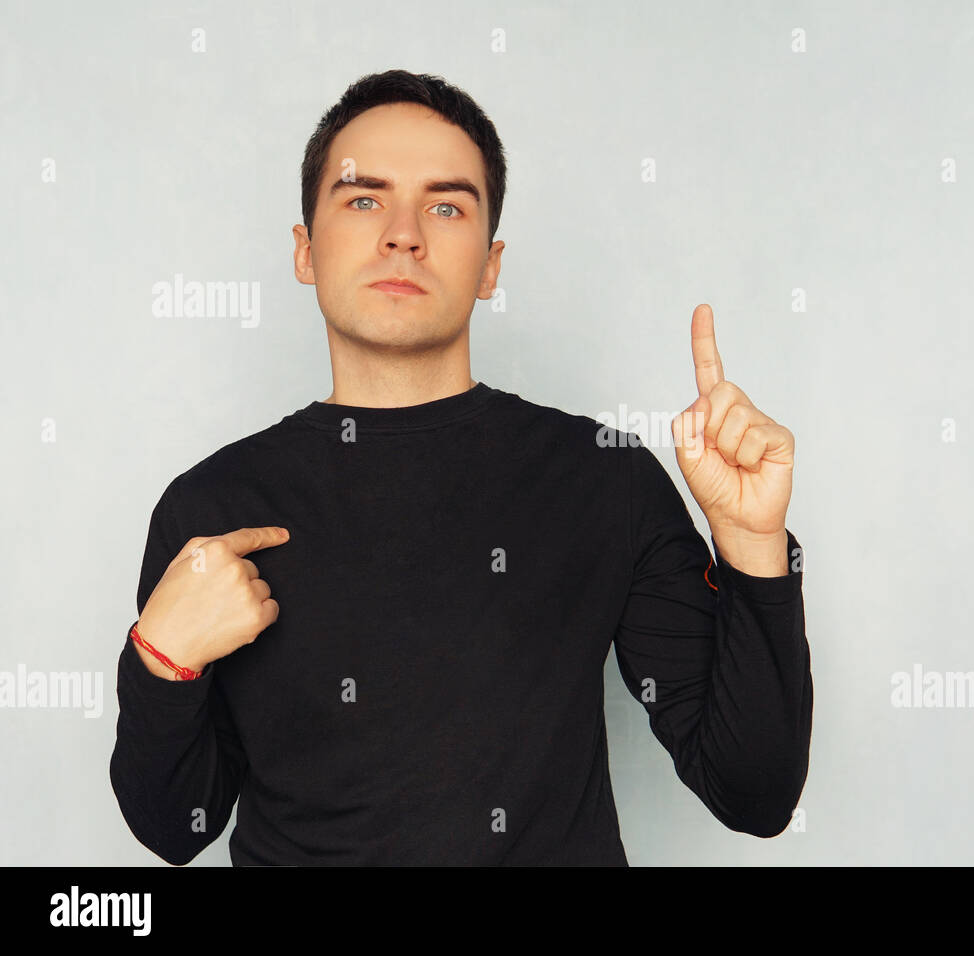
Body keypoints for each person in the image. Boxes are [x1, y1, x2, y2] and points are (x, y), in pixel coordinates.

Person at [110, 69, 812, 866]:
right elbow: (178, 829)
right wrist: (161, 659)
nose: (403, 232)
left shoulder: (603, 479)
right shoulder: (212, 509)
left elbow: (755, 794)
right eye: (363, 198)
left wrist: (754, 547)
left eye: (446, 206)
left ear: (490, 264)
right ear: (305, 250)